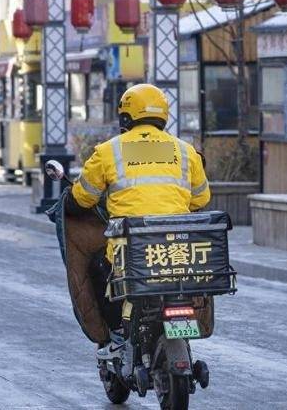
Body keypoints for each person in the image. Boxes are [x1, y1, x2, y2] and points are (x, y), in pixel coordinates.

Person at [67, 83, 210, 369]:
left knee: (98, 269)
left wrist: (70, 203)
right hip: (177, 251)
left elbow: (83, 197)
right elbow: (201, 198)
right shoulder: (185, 151)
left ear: (125, 117)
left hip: (129, 252)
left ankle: (116, 335)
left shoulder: (109, 151)